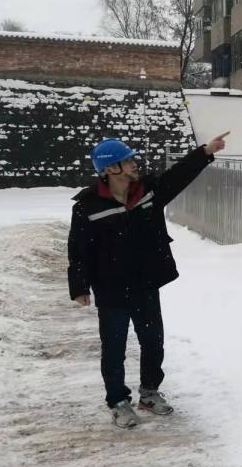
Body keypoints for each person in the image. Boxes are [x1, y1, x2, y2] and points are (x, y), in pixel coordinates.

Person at [67, 133, 229, 428]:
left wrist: (205, 152)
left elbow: (178, 176)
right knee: (114, 349)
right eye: (127, 160)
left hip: (145, 284)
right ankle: (118, 401)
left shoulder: (148, 191)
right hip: (111, 289)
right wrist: (79, 287)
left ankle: (149, 392)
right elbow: (78, 251)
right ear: (110, 169)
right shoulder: (88, 206)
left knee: (154, 343)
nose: (134, 164)